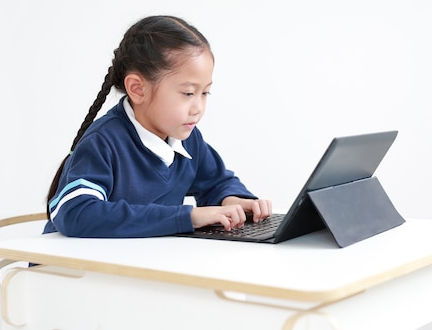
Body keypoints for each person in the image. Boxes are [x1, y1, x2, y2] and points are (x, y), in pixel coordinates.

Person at [44, 15, 272, 238]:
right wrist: (187, 217)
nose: (198, 107)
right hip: (70, 270)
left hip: (136, 266)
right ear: (137, 89)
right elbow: (78, 213)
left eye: (205, 93)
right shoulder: (103, 142)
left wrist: (232, 200)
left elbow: (217, 182)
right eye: (188, 93)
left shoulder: (187, 139)